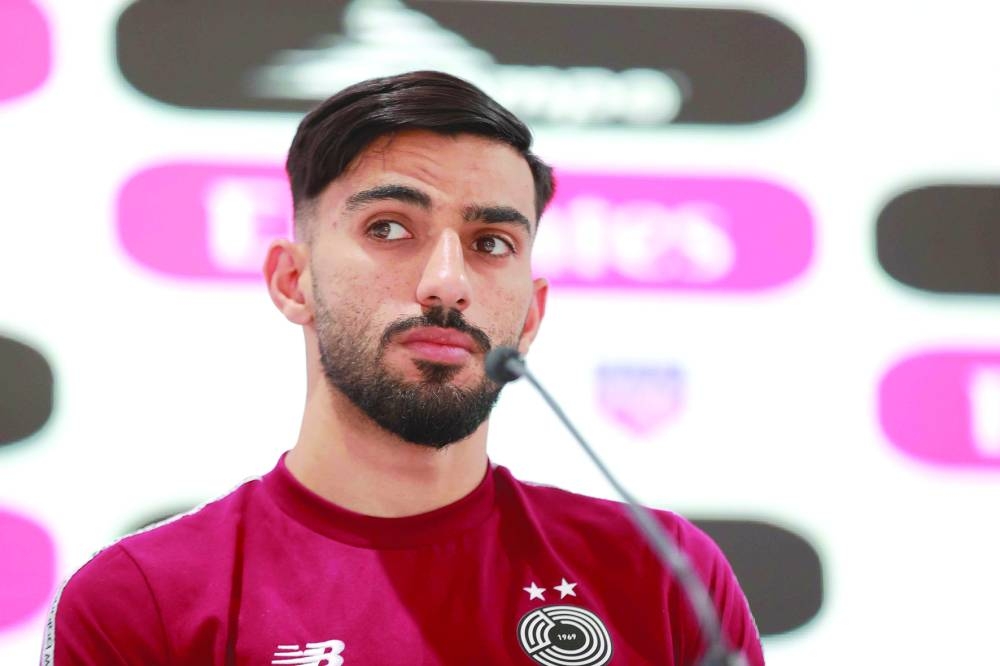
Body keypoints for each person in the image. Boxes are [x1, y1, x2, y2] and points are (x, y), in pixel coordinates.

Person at [42, 71, 764, 666]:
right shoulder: (142, 600)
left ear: (532, 314)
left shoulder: (665, 577)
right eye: (389, 228)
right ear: (294, 282)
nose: (447, 282)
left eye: (490, 243)